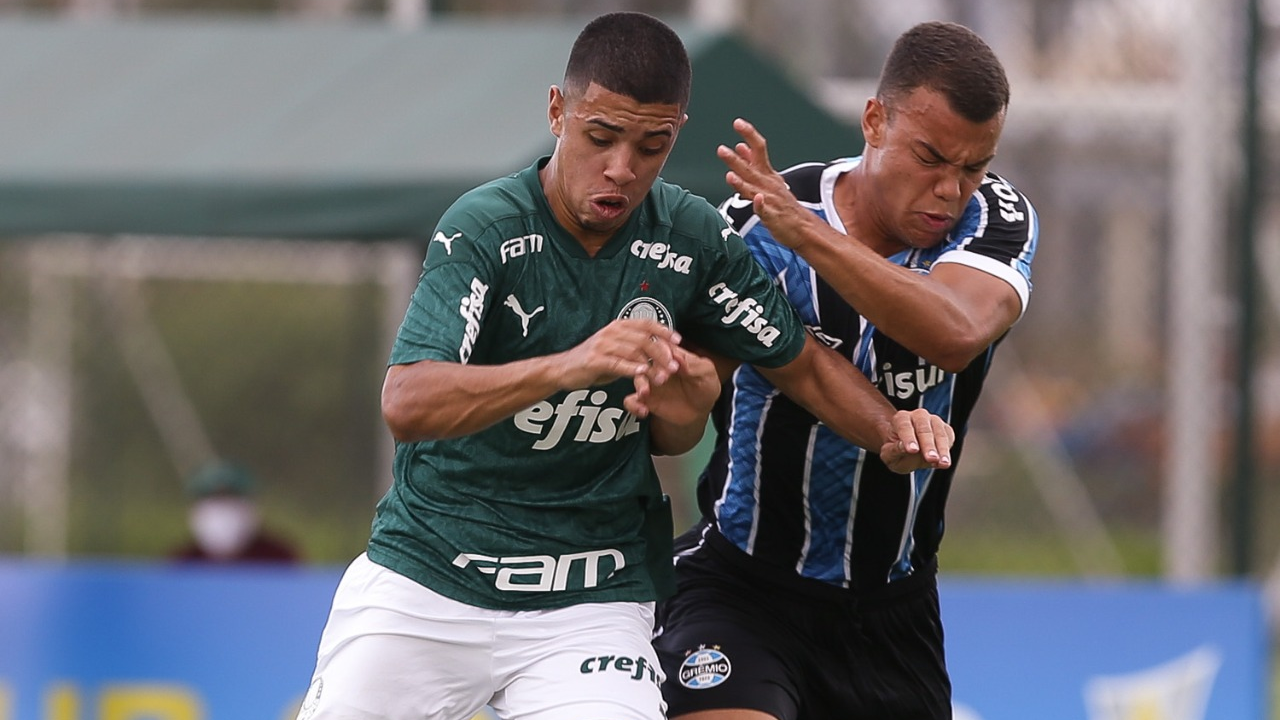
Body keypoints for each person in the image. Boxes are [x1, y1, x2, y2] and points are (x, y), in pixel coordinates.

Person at [295, 12, 954, 720]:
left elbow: (801, 363)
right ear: (558, 111)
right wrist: (567, 366)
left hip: (591, 602)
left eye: (652, 145)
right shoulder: (484, 227)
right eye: (600, 137)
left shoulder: (693, 239)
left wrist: (891, 429)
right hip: (428, 581)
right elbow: (409, 402)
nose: (621, 168)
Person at [653, 20, 1038, 720]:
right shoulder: (754, 223)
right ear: (873, 120)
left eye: (973, 165)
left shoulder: (994, 218)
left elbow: (953, 334)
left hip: (892, 610)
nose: (950, 189)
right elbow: (678, 406)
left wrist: (811, 239)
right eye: (930, 157)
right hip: (742, 589)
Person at [170, 459, 300, 564]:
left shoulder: (279, 558)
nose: (223, 511)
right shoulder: (183, 562)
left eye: (231, 499)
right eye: (216, 500)